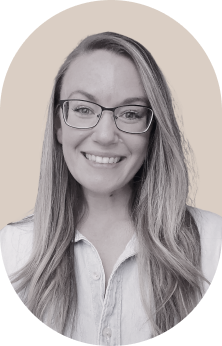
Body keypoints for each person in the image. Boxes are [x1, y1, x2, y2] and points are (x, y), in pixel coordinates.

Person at [0, 32, 221, 344]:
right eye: (83, 109)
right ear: (58, 124)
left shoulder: (214, 245)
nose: (105, 135)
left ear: (153, 129)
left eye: (130, 113)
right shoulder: (11, 250)